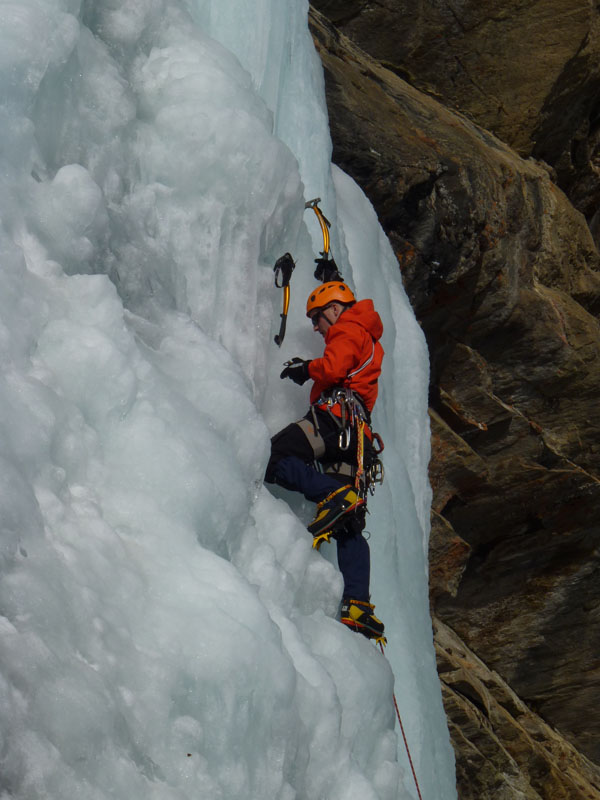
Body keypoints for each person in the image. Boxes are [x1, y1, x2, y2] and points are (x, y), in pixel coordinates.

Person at [265, 280, 386, 641]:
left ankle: (330, 495)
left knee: (272, 455)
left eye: (317, 318)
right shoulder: (365, 333)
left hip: (335, 420)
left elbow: (333, 367)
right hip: (356, 440)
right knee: (350, 523)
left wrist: (306, 369)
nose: (315, 327)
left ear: (335, 309)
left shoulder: (350, 327)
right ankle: (357, 604)